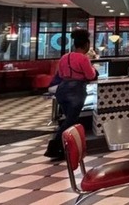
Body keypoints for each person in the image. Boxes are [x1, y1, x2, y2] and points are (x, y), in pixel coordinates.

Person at [45, 29, 97, 161]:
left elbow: (61, 75)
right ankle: (55, 147)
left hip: (62, 89)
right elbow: (90, 75)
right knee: (71, 120)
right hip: (76, 90)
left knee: (68, 119)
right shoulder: (83, 58)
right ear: (86, 45)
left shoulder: (64, 57)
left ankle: (65, 147)